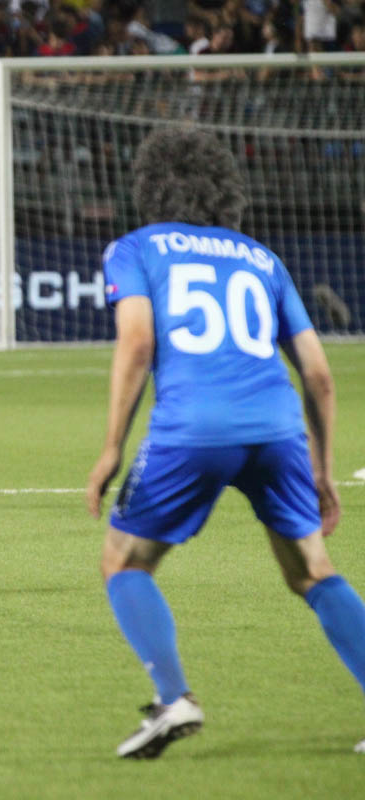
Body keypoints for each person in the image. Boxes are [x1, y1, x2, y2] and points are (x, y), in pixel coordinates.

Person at [86, 127, 365, 759]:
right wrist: (323, 471)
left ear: (151, 185)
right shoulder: (260, 257)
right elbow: (318, 374)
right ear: (225, 190)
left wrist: (111, 447)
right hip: (279, 428)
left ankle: (173, 698)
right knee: (312, 571)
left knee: (123, 561)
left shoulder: (135, 247)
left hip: (193, 429)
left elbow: (136, 343)